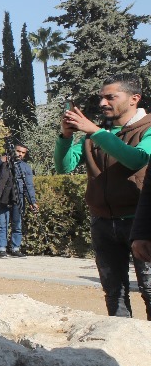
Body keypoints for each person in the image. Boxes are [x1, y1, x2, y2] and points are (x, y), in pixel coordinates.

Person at [56, 73, 151, 318]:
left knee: (150, 290)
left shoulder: (147, 128)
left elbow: (137, 159)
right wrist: (65, 137)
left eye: (110, 97)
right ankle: (120, 339)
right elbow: (64, 166)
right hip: (102, 223)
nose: (102, 103)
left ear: (134, 98)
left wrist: (96, 132)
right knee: (114, 293)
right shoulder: (96, 134)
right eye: (101, 97)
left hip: (141, 223)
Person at [0, 143, 38, 258]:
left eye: (23, 153)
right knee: (1, 224)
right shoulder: (0, 162)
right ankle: (2, 249)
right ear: (13, 150)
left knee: (17, 224)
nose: (20, 154)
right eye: (18, 151)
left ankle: (15, 248)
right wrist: (0, 161)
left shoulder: (25, 167)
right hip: (0, 197)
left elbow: (28, 186)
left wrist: (32, 202)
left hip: (18, 198)